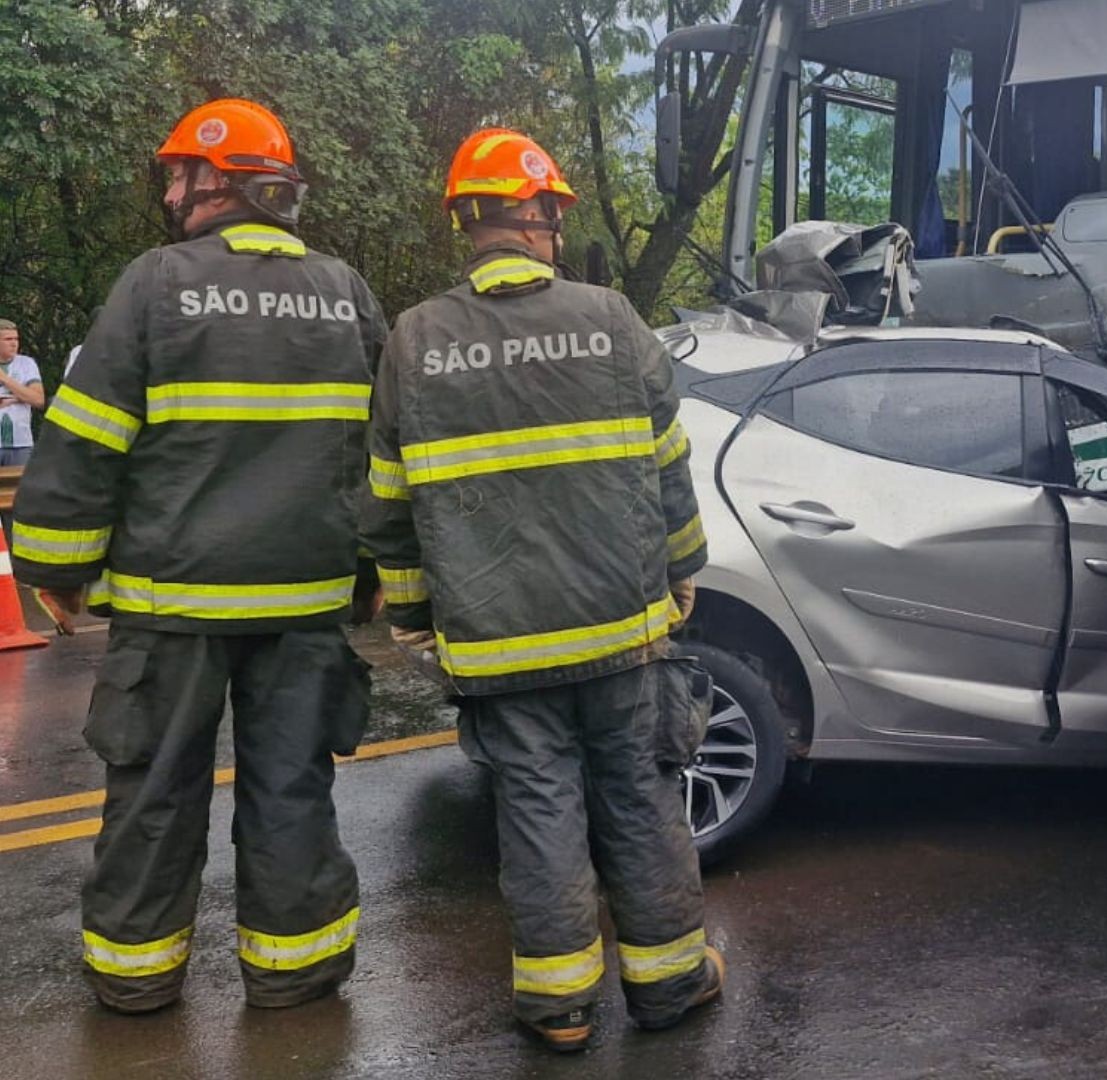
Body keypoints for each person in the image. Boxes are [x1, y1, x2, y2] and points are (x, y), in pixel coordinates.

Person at [10, 98, 386, 1013]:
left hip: (172, 607)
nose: (171, 190)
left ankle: (136, 984)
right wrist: (372, 578)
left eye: (179, 173)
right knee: (293, 790)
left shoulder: (155, 285)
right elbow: (382, 455)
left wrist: (53, 575)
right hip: (304, 607)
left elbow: (86, 440)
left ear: (217, 179)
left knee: (153, 795)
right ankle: (296, 970)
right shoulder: (346, 292)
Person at [359, 128, 720, 1051]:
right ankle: (670, 984)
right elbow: (668, 470)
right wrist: (682, 573)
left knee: (535, 809)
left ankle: (559, 1010)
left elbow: (394, 505)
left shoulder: (415, 340)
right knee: (637, 797)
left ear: (467, 222)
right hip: (619, 630)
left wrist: (410, 616)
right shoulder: (612, 320)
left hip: (498, 642)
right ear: (547, 217)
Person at [0, 318, 46, 466]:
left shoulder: (26, 364)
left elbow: (38, 400)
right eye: (8, 339)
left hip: (21, 444)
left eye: (16, 339)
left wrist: (5, 379)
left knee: (19, 488)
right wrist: (20, 396)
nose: (14, 343)